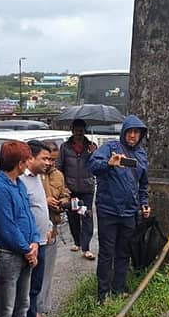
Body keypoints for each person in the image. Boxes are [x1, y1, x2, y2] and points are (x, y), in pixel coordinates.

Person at [88, 115, 151, 304]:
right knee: (107, 253)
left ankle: (118, 289)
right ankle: (103, 294)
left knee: (124, 253)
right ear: (124, 132)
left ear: (141, 135)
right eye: (130, 132)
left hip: (129, 212)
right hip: (108, 210)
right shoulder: (110, 148)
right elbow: (92, 165)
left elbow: (142, 184)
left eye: (136, 133)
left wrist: (144, 203)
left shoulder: (141, 155)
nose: (133, 135)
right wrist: (109, 163)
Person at [0, 141, 39, 317]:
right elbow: (7, 226)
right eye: (26, 159)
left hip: (26, 251)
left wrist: (35, 241)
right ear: (19, 162)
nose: (28, 163)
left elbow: (28, 215)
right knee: (5, 309)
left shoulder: (19, 184)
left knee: (23, 303)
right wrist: (27, 248)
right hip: (8, 254)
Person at [21, 141, 53, 317]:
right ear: (30, 158)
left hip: (41, 242)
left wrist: (48, 226)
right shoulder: (21, 181)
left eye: (50, 159)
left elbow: (40, 206)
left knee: (34, 289)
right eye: (45, 158)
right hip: (28, 245)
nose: (48, 163)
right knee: (24, 292)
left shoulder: (38, 179)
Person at [57, 119, 97, 260]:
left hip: (87, 188)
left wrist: (94, 154)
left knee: (86, 215)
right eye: (76, 130)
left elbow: (97, 166)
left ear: (85, 130)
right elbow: (59, 167)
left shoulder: (91, 146)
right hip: (71, 189)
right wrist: (63, 187)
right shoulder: (65, 147)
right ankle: (77, 241)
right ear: (72, 130)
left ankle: (86, 247)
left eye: (81, 130)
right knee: (73, 216)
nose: (78, 133)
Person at [38, 141, 70, 317]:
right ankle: (33, 310)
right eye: (48, 159)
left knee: (48, 272)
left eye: (54, 160)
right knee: (35, 274)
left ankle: (43, 309)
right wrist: (45, 200)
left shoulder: (58, 175)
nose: (51, 163)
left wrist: (64, 201)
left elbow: (65, 192)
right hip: (37, 230)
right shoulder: (33, 176)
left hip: (53, 226)